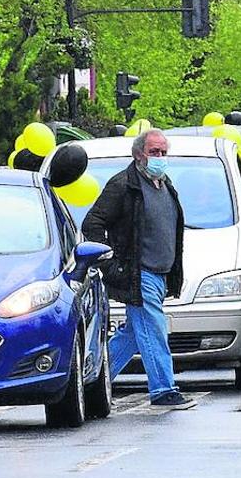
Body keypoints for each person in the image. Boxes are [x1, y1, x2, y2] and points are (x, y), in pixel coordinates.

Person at [82, 129, 195, 409]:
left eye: (163, 153)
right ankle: (163, 390)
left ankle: (91, 382)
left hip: (159, 273)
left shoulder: (165, 184)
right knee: (154, 330)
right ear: (138, 154)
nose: (159, 158)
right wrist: (110, 263)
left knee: (134, 333)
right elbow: (92, 224)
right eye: (154, 152)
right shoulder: (124, 185)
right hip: (138, 273)